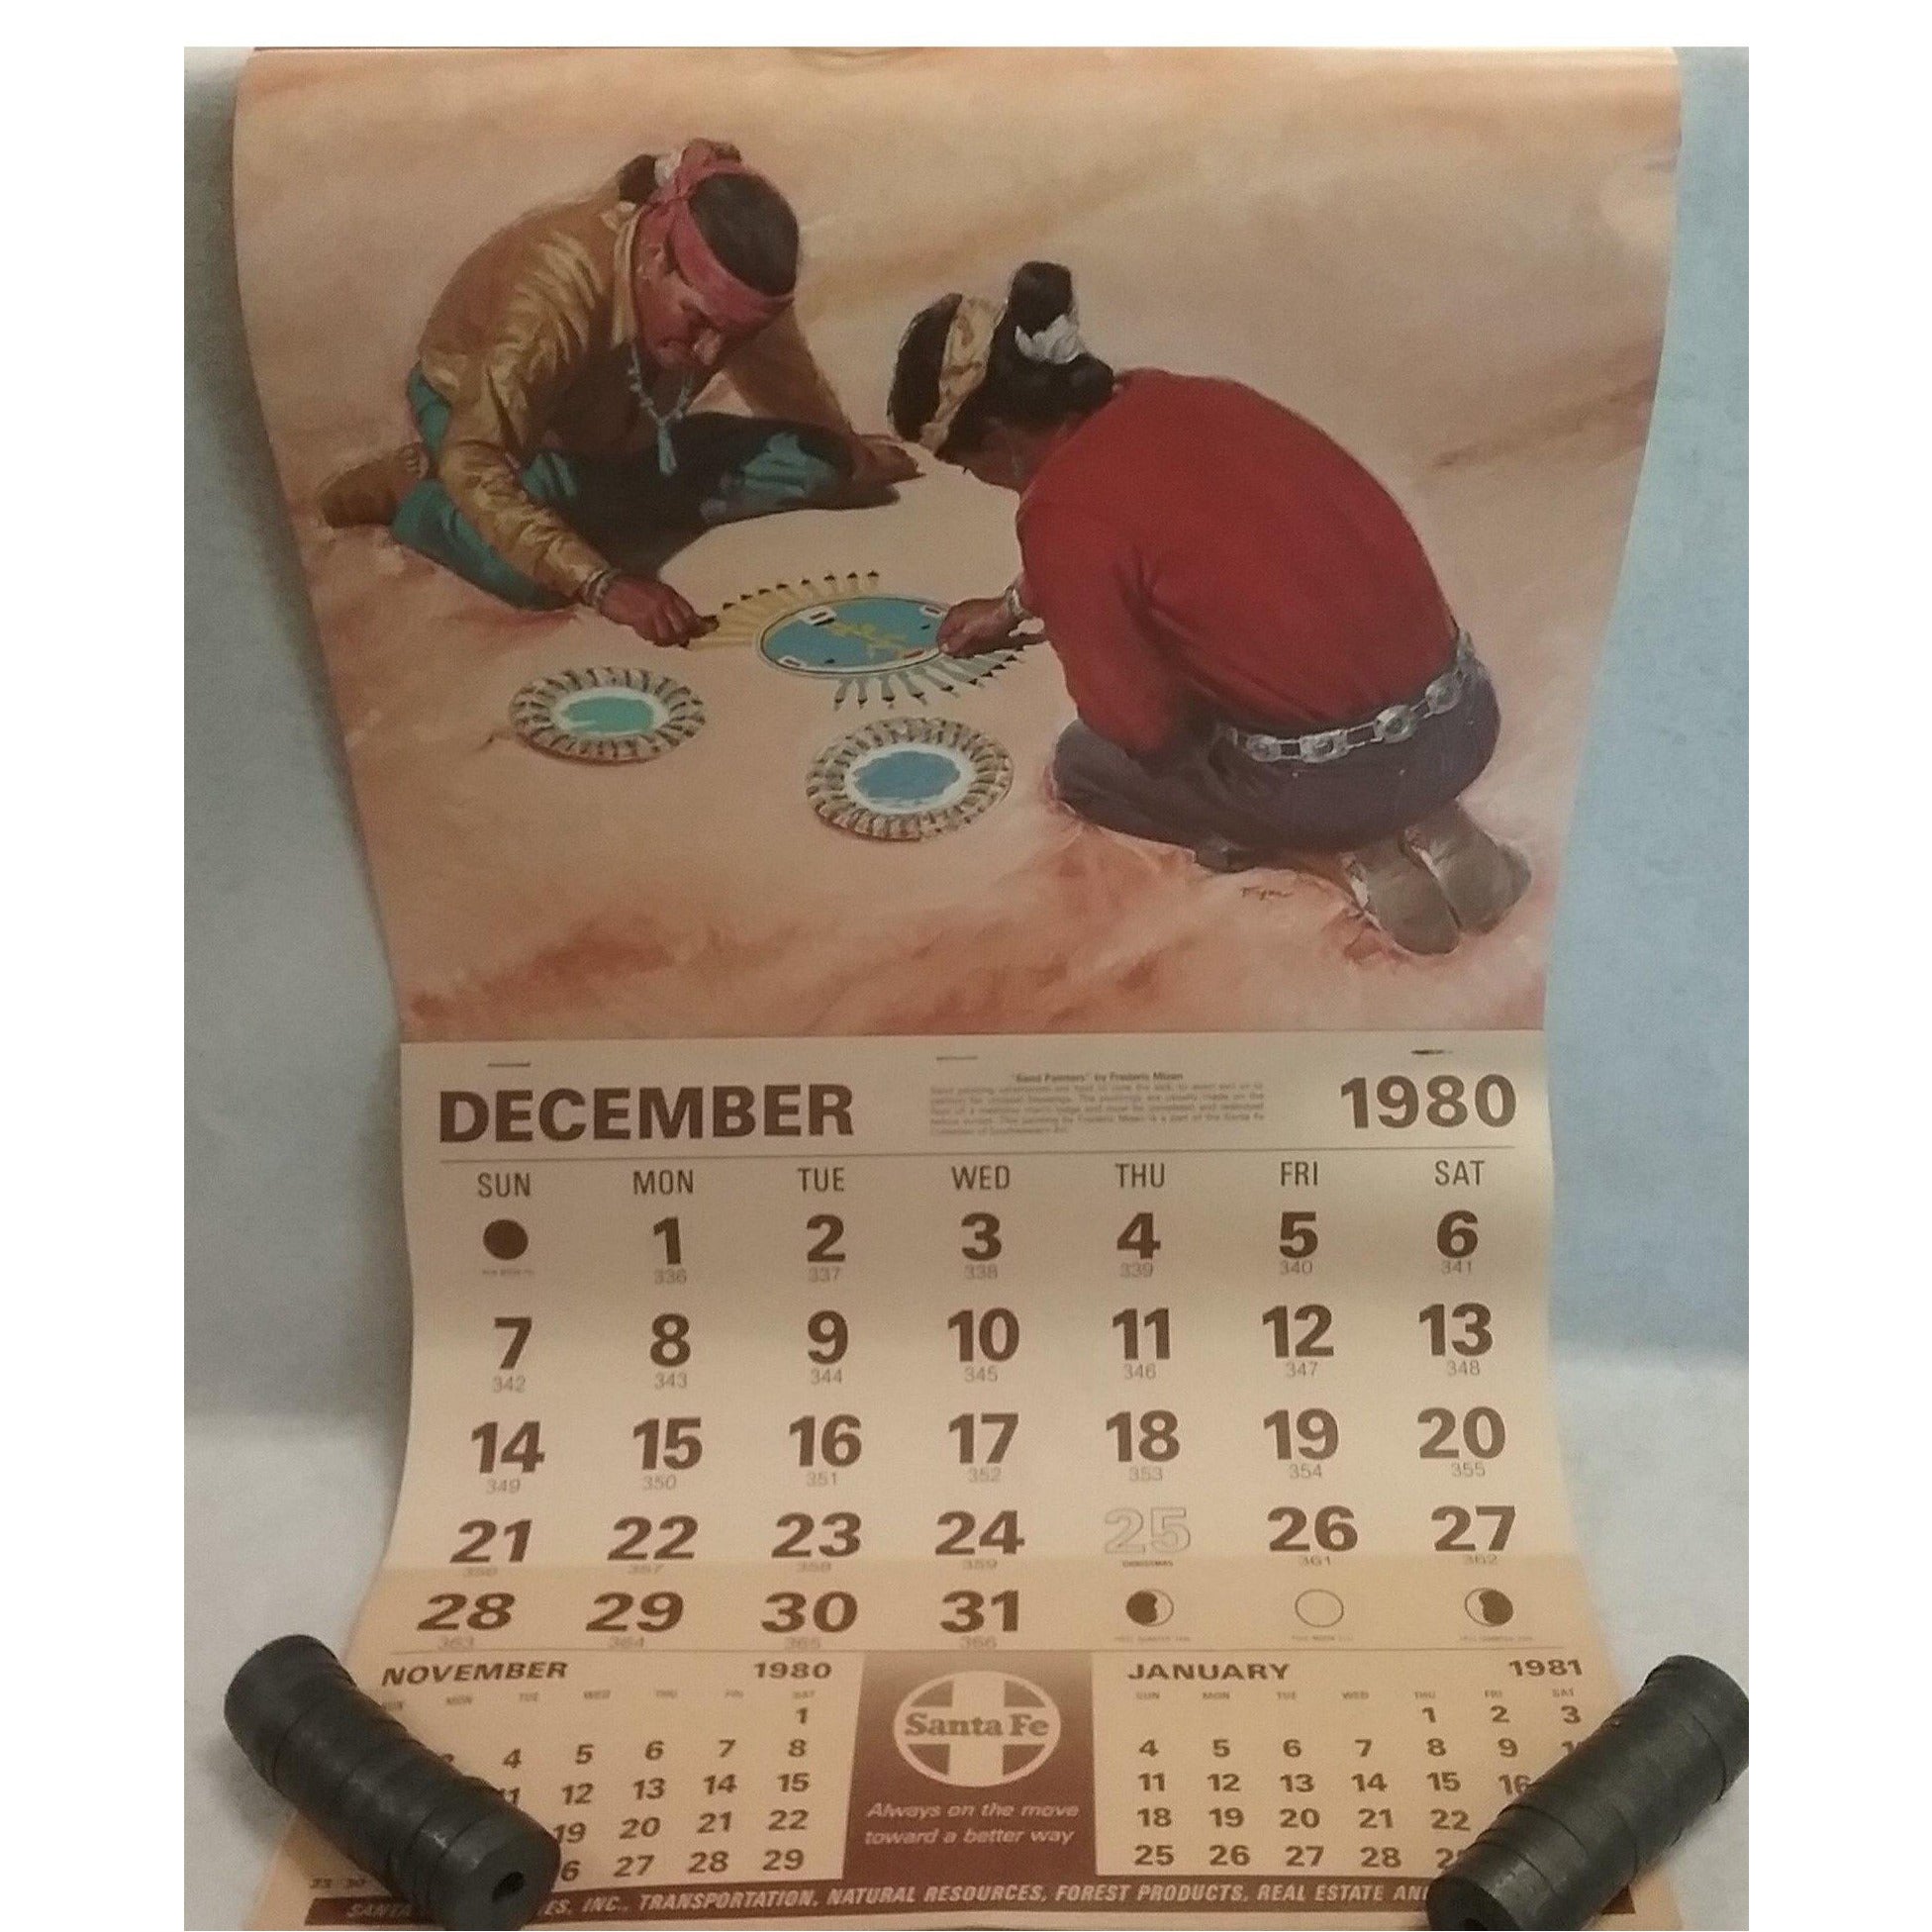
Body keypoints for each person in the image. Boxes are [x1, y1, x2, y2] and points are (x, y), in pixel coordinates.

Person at [886, 262, 1530, 956]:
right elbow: (1188, 535)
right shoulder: (1185, 397)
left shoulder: (1061, 512)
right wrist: (1018, 603)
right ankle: (1429, 819)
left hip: (1327, 787)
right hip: (1463, 719)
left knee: (1085, 766)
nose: (982, 480)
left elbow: (1142, 728)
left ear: (999, 437)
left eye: (969, 465)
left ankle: (1340, 854)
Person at [321, 141, 918, 645]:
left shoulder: (725, 294)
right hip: (484, 424)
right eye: (698, 323)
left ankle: (591, 500)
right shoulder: (555, 291)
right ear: (655, 256)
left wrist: (845, 448)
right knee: (534, 576)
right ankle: (419, 493)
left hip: (624, 435)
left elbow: (784, 378)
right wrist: (605, 585)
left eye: (733, 338)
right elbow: (480, 454)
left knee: (819, 466)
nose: (711, 354)